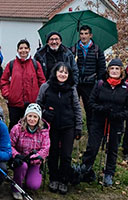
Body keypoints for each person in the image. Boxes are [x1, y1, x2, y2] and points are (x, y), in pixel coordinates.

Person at [78, 58, 128, 186]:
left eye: (117, 69)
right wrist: (102, 109)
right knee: (92, 146)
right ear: (108, 70)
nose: (114, 71)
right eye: (112, 68)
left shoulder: (127, 88)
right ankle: (86, 167)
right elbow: (91, 102)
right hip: (99, 120)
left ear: (121, 71)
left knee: (112, 148)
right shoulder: (100, 84)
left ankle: (109, 173)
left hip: (116, 123)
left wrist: (118, 115)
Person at [36, 62, 82, 195]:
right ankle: (53, 178)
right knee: (53, 153)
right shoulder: (46, 86)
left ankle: (64, 179)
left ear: (69, 75)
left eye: (65, 72)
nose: (62, 74)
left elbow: (77, 108)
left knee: (66, 155)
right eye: (60, 71)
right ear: (55, 72)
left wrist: (78, 127)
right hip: (51, 125)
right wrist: (44, 113)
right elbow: (38, 104)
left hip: (68, 125)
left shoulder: (72, 88)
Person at [1, 39, 46, 130]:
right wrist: (8, 95)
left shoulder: (35, 64)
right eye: (21, 48)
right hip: (14, 103)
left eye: (26, 48)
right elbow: (4, 80)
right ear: (17, 50)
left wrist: (39, 97)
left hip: (31, 103)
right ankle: (12, 144)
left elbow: (42, 82)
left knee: (31, 126)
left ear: (29, 49)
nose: (23, 50)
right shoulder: (11, 64)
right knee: (14, 126)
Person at [9, 103, 50, 200]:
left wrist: (36, 157)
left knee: (33, 185)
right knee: (22, 166)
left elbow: (46, 148)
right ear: (26, 116)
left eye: (35, 117)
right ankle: (16, 188)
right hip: (20, 159)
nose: (32, 119)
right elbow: (9, 145)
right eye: (30, 116)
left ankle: (28, 177)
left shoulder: (43, 132)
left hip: (34, 161)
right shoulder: (17, 129)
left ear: (39, 119)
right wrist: (17, 155)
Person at [70, 25, 106, 133]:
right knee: (73, 108)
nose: (83, 36)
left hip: (90, 84)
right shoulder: (74, 49)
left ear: (90, 35)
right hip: (76, 83)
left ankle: (92, 134)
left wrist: (99, 82)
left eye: (86, 34)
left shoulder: (97, 50)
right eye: (81, 33)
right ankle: (74, 132)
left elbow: (101, 68)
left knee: (90, 109)